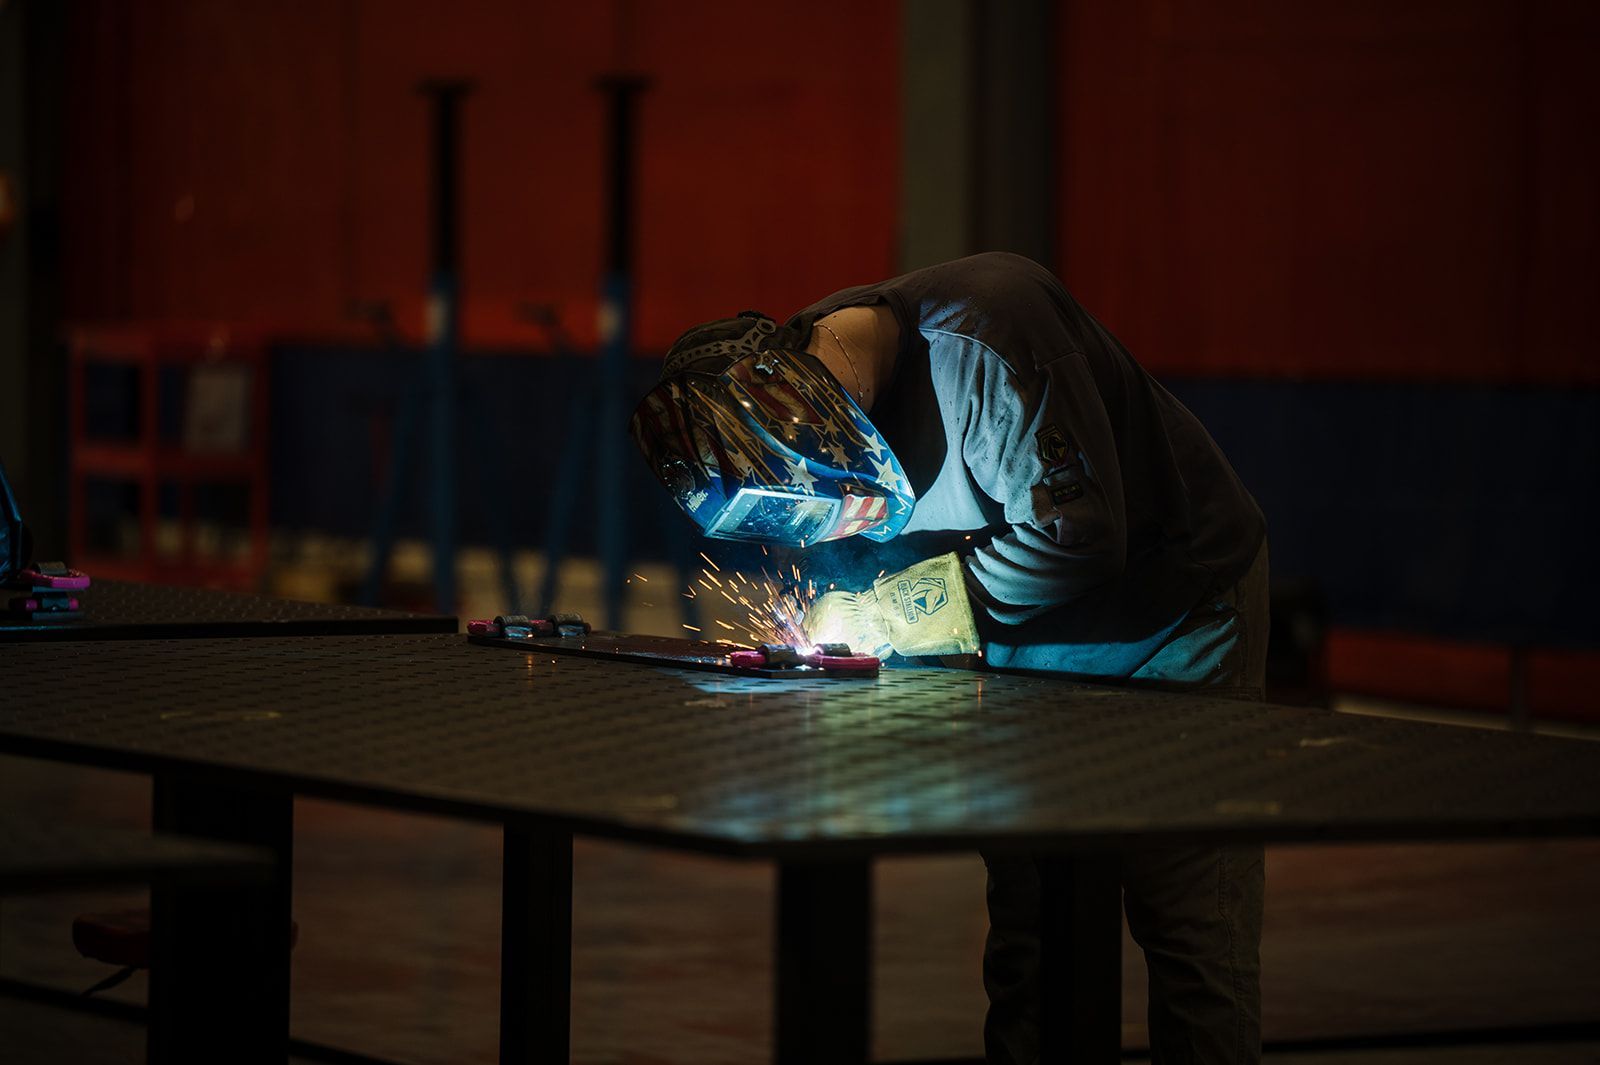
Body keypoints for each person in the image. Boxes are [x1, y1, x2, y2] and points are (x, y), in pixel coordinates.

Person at [631, 251, 1268, 1065]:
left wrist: (890, 611)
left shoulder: (989, 342)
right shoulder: (795, 403)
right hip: (1030, 651)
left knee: (1188, 933)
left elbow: (1079, 538)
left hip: (1177, 612)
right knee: (1035, 934)